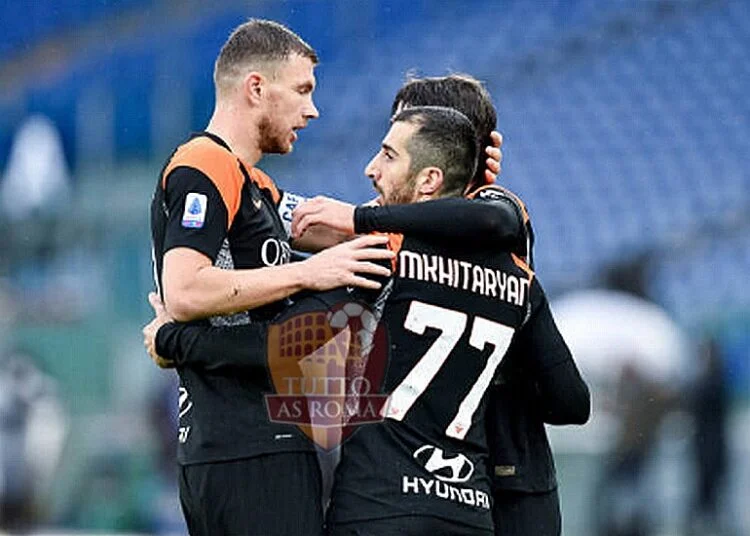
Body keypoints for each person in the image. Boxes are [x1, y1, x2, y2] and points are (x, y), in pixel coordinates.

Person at [144, 106, 576, 535]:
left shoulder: (385, 259)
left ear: (429, 179)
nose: (371, 169)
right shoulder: (522, 278)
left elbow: (280, 345)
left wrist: (172, 341)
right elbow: (571, 402)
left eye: (388, 155)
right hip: (469, 512)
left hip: (378, 506)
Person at [290, 73, 590, 536]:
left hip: (474, 479)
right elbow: (570, 400)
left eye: (399, 139)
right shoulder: (504, 270)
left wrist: (355, 217)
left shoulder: (488, 216)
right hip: (481, 492)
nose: (377, 164)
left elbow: (494, 217)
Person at [149, 19, 393, 536]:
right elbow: (187, 289)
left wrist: (431, 201)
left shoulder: (253, 184)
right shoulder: (204, 163)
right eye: (302, 90)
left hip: (241, 445)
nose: (313, 110)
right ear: (256, 88)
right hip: (245, 447)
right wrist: (306, 274)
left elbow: (337, 233)